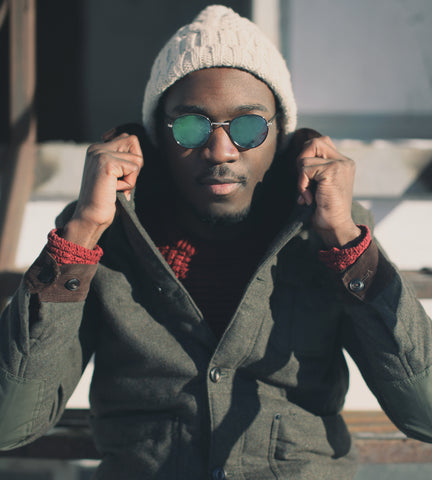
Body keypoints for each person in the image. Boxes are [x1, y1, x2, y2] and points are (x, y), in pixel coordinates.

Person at [1, 5, 432, 480]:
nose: (222, 151)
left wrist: (346, 244)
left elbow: (423, 413)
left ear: (282, 137)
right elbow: (9, 423)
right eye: (191, 126)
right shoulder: (99, 237)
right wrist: (81, 231)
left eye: (249, 127)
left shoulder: (331, 232)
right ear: (156, 139)